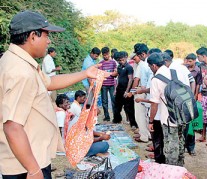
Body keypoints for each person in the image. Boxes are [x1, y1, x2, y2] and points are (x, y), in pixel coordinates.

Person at [0, 10, 106, 178]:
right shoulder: (20, 72)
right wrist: (33, 170)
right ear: (33, 36)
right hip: (25, 165)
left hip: (30, 157)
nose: (49, 41)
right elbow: (12, 126)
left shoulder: (21, 62)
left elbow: (49, 83)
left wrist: (86, 73)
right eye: (46, 35)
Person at [148, 52, 189, 166]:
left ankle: (171, 171)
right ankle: (180, 168)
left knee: (171, 147)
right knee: (180, 143)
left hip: (168, 118)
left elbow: (154, 104)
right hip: (183, 114)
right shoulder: (175, 72)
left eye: (150, 67)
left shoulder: (156, 79)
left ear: (154, 66)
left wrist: (151, 121)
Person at [162, 52, 197, 156]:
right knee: (187, 124)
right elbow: (192, 81)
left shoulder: (170, 69)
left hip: (178, 101)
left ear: (165, 62)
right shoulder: (182, 67)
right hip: (186, 99)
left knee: (178, 126)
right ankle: (188, 148)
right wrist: (191, 95)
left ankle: (180, 150)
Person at [66, 90, 110, 157]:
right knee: (105, 145)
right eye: (95, 115)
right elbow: (86, 139)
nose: (95, 117)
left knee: (98, 137)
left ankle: (94, 151)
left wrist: (100, 134)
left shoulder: (82, 117)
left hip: (79, 143)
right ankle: (90, 153)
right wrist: (100, 138)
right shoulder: (81, 119)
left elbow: (88, 132)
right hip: (77, 148)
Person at [113, 51, 138, 129]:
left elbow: (130, 79)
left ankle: (133, 124)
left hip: (126, 89)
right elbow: (118, 78)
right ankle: (117, 120)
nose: (121, 62)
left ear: (126, 58)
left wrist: (127, 91)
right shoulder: (119, 67)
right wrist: (115, 89)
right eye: (119, 60)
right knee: (117, 106)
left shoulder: (129, 67)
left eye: (122, 60)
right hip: (119, 89)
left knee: (129, 108)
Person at [196, 47, 207, 144]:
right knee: (204, 117)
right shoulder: (201, 66)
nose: (198, 59)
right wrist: (197, 93)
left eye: (198, 56)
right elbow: (198, 81)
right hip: (204, 94)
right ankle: (203, 136)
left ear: (203, 56)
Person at [98, 47, 118, 121]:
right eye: (104, 55)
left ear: (109, 53)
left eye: (107, 54)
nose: (106, 56)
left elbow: (115, 73)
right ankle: (107, 116)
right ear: (102, 55)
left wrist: (110, 73)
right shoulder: (101, 63)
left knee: (113, 101)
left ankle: (115, 117)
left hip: (112, 84)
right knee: (104, 101)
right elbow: (100, 74)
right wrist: (110, 73)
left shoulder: (113, 62)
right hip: (103, 85)